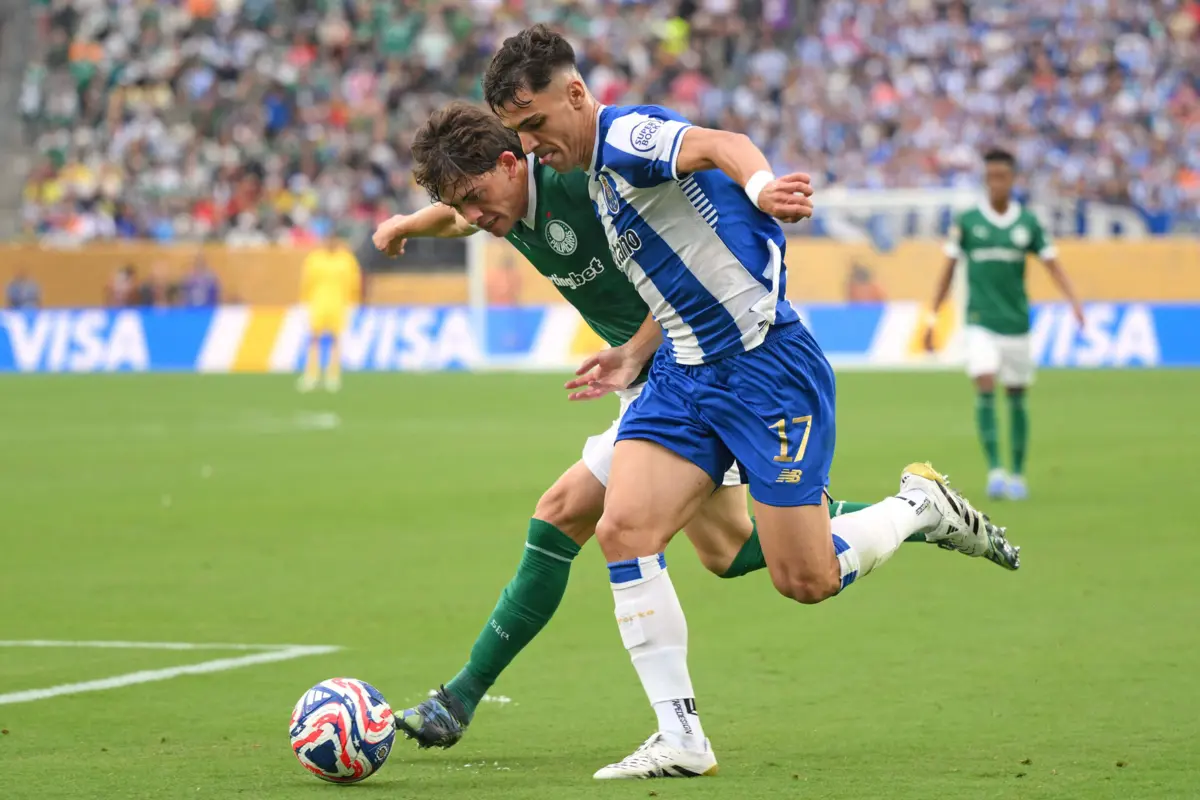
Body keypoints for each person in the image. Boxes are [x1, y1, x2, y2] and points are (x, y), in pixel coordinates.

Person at [379, 98, 1017, 778]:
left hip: (696, 367)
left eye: (477, 196)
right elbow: (458, 215)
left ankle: (461, 698)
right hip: (655, 383)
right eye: (464, 205)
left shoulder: (583, 182)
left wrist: (639, 343)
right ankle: (913, 511)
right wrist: (407, 223)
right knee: (720, 547)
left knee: (592, 518)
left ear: (513, 162)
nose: (475, 216)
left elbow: (680, 269)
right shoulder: (499, 206)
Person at [924, 149, 1085, 500]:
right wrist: (932, 317)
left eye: (1002, 177)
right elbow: (947, 272)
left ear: (1013, 180)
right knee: (983, 382)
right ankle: (996, 470)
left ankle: (1017, 473)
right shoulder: (967, 222)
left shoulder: (1027, 223)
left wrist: (1075, 302)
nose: (995, 183)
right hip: (980, 321)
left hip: (1016, 323)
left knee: (1015, 394)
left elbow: (1053, 265)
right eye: (990, 177)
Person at [298, 232, 361, 393]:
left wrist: (353, 301)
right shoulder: (314, 258)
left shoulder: (346, 259)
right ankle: (312, 374)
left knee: (336, 339)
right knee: (314, 338)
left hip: (338, 304)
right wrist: (304, 300)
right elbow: (307, 280)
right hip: (317, 303)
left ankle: (333, 375)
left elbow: (354, 281)